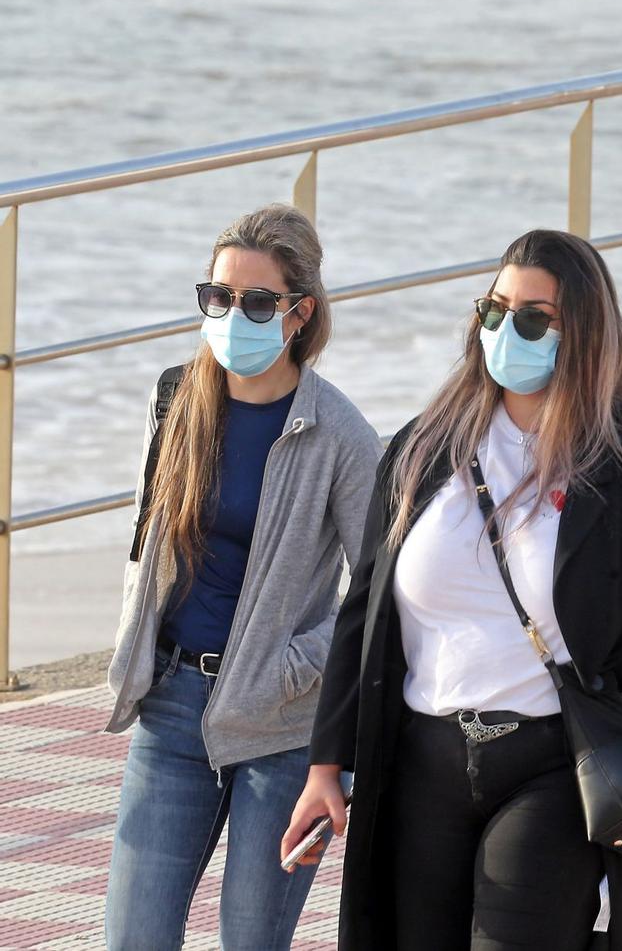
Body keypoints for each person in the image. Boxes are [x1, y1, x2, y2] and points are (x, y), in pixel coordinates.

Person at [283, 229, 622, 950]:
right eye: (495, 310)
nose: (507, 330)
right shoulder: (422, 449)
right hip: (421, 763)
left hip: (556, 765)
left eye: (534, 317)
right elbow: (365, 614)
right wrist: (325, 767)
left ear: (584, 332)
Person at [102, 204, 381, 951]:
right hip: (172, 708)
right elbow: (145, 552)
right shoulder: (175, 402)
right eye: (218, 297)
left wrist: (298, 665)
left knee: (253, 942)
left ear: (299, 313)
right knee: (134, 938)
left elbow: (383, 588)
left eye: (257, 302)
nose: (233, 316)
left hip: (285, 728)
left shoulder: (342, 436)